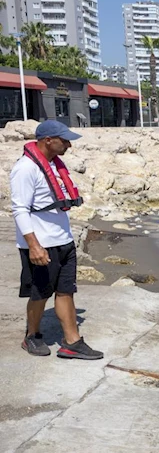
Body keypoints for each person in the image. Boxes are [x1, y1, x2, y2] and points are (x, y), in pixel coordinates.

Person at [10, 120, 103, 359]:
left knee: (65, 291)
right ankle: (32, 336)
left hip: (64, 241)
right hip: (41, 244)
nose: (69, 145)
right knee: (40, 293)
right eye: (65, 140)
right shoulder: (25, 168)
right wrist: (34, 246)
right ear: (48, 140)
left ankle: (72, 342)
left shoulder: (53, 165)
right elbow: (19, 209)